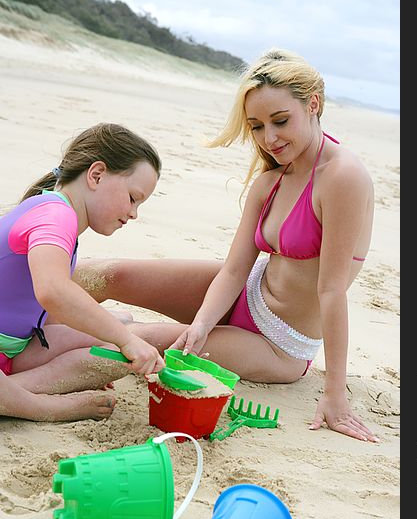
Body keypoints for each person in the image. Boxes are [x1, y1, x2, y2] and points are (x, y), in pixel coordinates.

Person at [74, 50, 378, 442]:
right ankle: (15, 298)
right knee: (110, 274)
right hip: (246, 291)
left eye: (281, 121)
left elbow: (332, 290)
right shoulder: (271, 181)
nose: (269, 138)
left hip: (280, 343)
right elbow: (234, 269)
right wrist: (201, 323)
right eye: (256, 126)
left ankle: (26, 354)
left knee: (142, 339)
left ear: (313, 104)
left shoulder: (343, 177)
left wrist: (335, 395)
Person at [0, 123, 166, 422]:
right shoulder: (55, 215)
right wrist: (126, 339)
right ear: (96, 175)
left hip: (11, 347)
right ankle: (42, 407)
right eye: (132, 198)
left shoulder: (61, 218)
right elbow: (53, 291)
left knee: (114, 349)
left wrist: (115, 334)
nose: (134, 213)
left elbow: (31, 308)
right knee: (123, 339)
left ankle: (13, 393)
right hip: (8, 348)